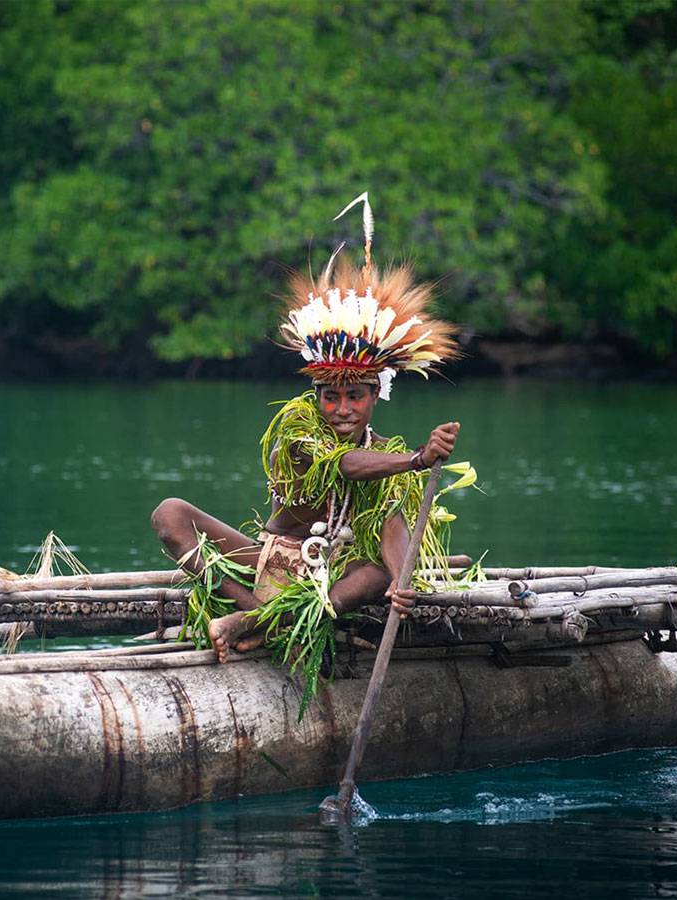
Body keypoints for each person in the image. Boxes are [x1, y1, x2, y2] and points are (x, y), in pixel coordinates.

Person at [152, 193, 465, 665]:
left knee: (381, 571)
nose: (342, 409)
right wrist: (418, 459)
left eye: (355, 396)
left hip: (332, 579)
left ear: (374, 396)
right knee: (170, 514)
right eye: (330, 396)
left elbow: (391, 523)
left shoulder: (384, 453)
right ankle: (259, 614)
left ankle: (262, 623)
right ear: (317, 396)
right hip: (268, 563)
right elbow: (343, 467)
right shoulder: (300, 432)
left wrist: (403, 582)